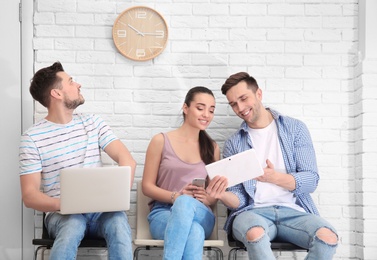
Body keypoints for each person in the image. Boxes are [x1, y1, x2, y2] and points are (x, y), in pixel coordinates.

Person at [207, 72, 338, 260]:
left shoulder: (295, 129)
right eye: (233, 104)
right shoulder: (234, 143)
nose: (240, 108)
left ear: (258, 94)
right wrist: (222, 195)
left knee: (328, 238)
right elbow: (240, 200)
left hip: (294, 212)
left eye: (243, 99)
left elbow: (311, 180)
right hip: (251, 212)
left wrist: (273, 177)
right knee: (255, 234)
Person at [19, 62, 137, 260]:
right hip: (62, 215)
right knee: (73, 222)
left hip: (101, 212)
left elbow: (127, 160)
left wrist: (117, 196)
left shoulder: (93, 123)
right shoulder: (32, 138)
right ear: (57, 94)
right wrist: (66, 204)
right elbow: (30, 195)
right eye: (71, 81)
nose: (78, 84)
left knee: (117, 220)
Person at [142, 86, 227, 260]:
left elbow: (214, 196)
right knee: (194, 231)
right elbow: (147, 187)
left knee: (185, 204)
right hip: (163, 213)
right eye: (200, 108)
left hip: (201, 212)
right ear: (186, 108)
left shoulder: (212, 148)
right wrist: (176, 196)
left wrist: (206, 197)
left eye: (211, 110)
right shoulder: (160, 141)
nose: (206, 115)